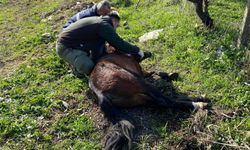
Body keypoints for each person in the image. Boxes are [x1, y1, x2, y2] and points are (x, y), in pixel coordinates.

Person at [56, 11, 151, 78]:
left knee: (99, 52)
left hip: (78, 43)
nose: (116, 28)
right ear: (114, 21)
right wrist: (137, 50)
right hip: (66, 47)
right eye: (117, 26)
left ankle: (82, 59)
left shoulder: (99, 22)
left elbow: (99, 44)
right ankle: (77, 71)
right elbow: (119, 43)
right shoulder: (103, 25)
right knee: (88, 66)